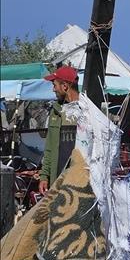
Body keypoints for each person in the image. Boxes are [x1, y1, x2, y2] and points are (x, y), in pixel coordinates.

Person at [38, 66, 80, 194]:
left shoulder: (86, 110)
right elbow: (49, 146)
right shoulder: (55, 112)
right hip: (57, 182)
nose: (53, 89)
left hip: (79, 183)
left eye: (54, 85)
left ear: (65, 86)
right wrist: (44, 176)